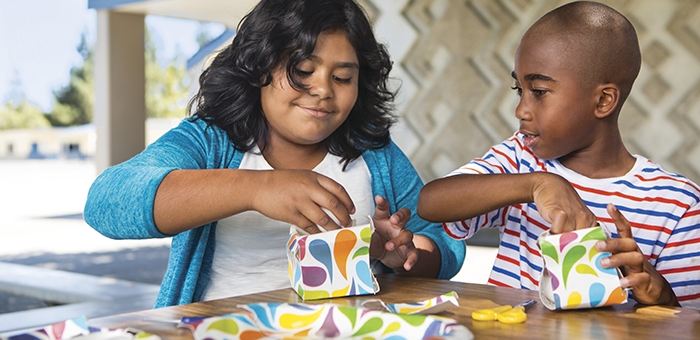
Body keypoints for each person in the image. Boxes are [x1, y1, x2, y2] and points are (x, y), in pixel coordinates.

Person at [84, 0, 465, 308]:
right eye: (302, 69)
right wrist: (257, 188)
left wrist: (406, 253)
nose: (322, 90)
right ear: (259, 66)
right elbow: (107, 201)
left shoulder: (374, 154)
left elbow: (443, 243)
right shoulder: (210, 142)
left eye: (343, 77)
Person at [418, 1, 699, 308]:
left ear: (604, 100)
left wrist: (660, 295)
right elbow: (431, 202)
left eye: (538, 91)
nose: (520, 110)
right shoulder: (520, 159)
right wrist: (537, 184)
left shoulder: (676, 204)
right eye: (518, 90)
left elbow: (688, 324)